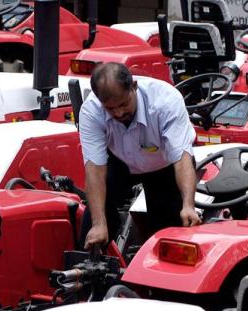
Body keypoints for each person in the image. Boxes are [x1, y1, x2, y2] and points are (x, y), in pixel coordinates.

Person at [79, 62, 201, 250]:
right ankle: (85, 273)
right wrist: (98, 224)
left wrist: (188, 205)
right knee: (92, 231)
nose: (119, 112)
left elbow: (182, 158)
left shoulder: (165, 101)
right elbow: (94, 169)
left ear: (134, 87)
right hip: (119, 162)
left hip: (165, 165)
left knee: (168, 236)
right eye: (110, 108)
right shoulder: (91, 111)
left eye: (123, 104)